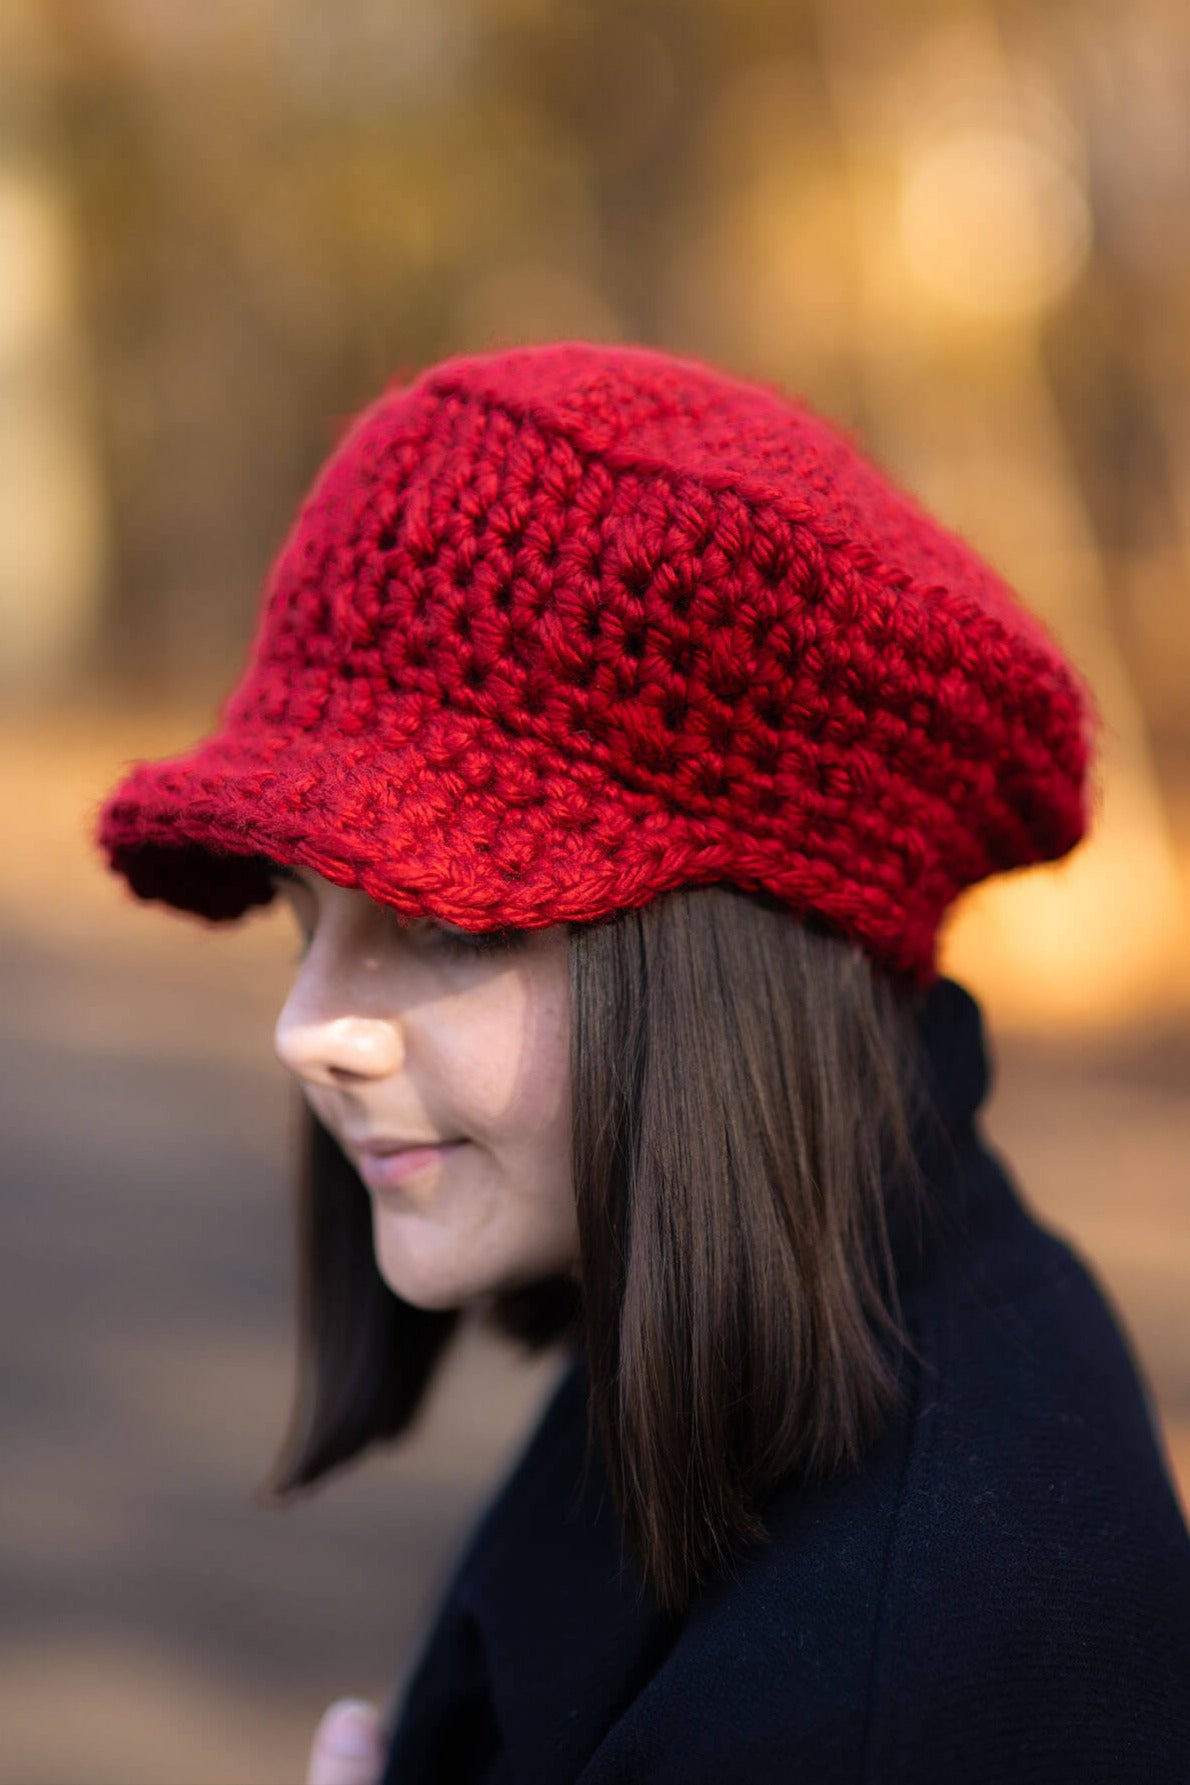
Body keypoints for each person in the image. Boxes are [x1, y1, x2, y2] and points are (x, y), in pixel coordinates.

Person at [92, 340, 1190, 1783]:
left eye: (445, 920)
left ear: (730, 964)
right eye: (307, 913)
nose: (308, 1026)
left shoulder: (882, 1685)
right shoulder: (774, 1339)